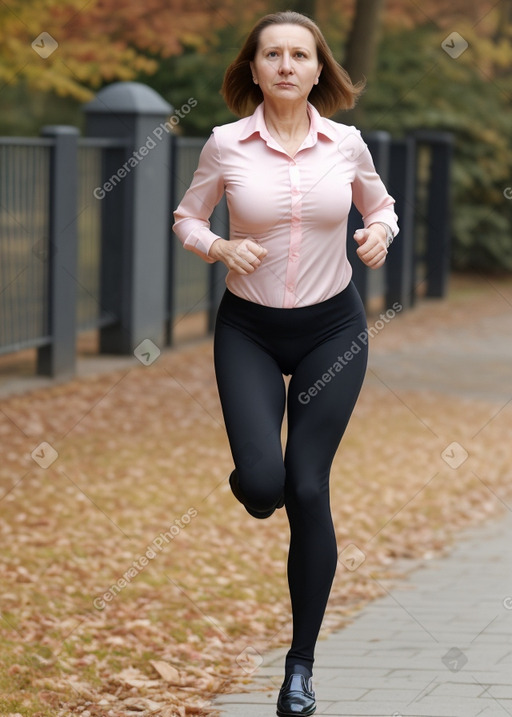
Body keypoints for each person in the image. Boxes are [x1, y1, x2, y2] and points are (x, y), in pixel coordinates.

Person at [173, 10, 398, 716]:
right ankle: (255, 483)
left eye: (300, 54)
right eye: (272, 54)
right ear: (256, 67)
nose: (286, 65)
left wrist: (379, 235)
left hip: (333, 328)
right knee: (264, 485)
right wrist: (218, 247)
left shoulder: (347, 143)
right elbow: (187, 216)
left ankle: (300, 666)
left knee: (306, 487)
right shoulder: (225, 144)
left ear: (317, 68)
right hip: (249, 330)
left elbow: (381, 205)